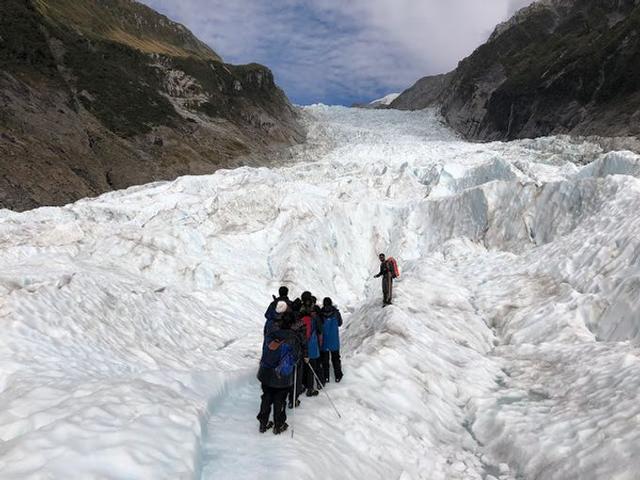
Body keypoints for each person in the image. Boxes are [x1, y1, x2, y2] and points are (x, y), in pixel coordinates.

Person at [256, 307, 304, 434]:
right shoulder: (293, 338)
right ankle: (278, 425)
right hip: (282, 375)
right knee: (279, 400)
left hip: (266, 372)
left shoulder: (271, 334)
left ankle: (263, 423)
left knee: (266, 397)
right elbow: (295, 358)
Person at [299, 296, 322, 396]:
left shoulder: (299, 319)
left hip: (301, 346)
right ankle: (310, 388)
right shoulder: (313, 320)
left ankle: (302, 386)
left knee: (302, 368)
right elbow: (319, 331)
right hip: (311, 346)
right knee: (311, 368)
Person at [320, 297, 343, 383]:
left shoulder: (321, 313)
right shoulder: (336, 313)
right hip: (334, 340)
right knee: (336, 358)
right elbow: (340, 323)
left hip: (324, 340)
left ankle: (326, 377)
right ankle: (338, 376)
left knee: (325, 360)